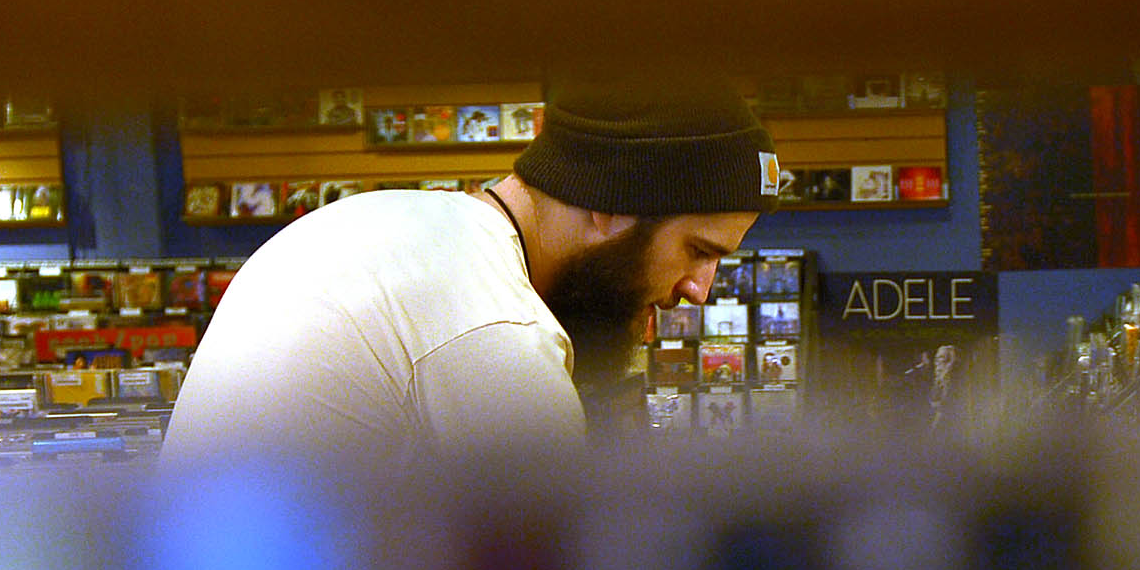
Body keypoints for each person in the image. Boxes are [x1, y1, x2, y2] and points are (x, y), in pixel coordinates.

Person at [163, 80, 774, 460]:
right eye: (699, 249)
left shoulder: (399, 226)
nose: (699, 290)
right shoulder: (492, 321)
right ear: (612, 203)